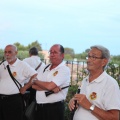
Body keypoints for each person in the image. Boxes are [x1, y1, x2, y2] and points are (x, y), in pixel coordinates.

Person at [68, 45, 120, 120]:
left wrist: (90, 106)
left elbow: (114, 117)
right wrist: (73, 101)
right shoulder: (85, 80)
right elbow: (82, 101)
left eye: (93, 57)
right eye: (88, 56)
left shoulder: (110, 84)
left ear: (104, 62)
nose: (88, 60)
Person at [32, 44, 71, 120]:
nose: (52, 55)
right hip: (39, 108)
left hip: (54, 109)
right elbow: (33, 85)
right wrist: (50, 88)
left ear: (62, 55)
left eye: (55, 52)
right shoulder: (45, 67)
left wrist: (37, 81)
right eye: (51, 52)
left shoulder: (63, 69)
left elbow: (49, 86)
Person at [0, 44, 37, 120]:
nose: (7, 54)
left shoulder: (22, 65)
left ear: (16, 53)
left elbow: (35, 75)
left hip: (14, 100)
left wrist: (25, 87)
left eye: (10, 52)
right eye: (5, 52)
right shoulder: (2, 64)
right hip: (1, 100)